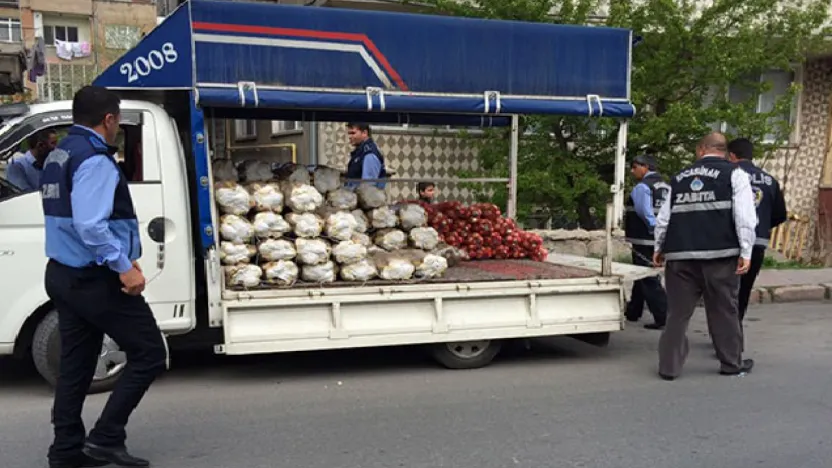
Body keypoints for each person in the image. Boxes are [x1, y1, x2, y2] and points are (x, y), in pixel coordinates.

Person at [40, 86, 166, 468]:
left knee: (76, 367)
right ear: (109, 119)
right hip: (93, 278)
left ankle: (66, 451)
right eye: (118, 120)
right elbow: (91, 226)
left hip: (63, 272)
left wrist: (123, 258)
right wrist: (122, 266)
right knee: (149, 353)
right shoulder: (94, 159)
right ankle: (106, 438)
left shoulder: (60, 152)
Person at [653, 132, 757, 381]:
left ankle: (669, 367)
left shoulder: (679, 178)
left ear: (700, 150)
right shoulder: (735, 174)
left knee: (677, 314)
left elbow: (664, 218)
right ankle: (731, 363)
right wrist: (746, 251)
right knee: (724, 310)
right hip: (721, 256)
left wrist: (659, 247)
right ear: (724, 151)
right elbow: (744, 216)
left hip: (680, 256)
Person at [728, 138, 787, 323]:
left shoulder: (729, 176)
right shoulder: (770, 180)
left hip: (731, 242)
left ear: (732, 155)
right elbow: (780, 214)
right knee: (744, 290)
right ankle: (735, 328)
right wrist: (762, 227)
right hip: (758, 243)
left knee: (725, 290)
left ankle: (725, 332)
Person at [623, 154, 669, 330]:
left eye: (635, 167)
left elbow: (644, 212)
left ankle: (664, 316)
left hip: (643, 237)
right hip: (659, 237)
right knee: (640, 273)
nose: (632, 171)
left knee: (648, 277)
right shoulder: (666, 186)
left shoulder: (643, 187)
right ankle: (633, 310)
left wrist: (653, 227)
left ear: (646, 167)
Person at [345, 122, 387, 188]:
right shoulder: (361, 151)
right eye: (349, 133)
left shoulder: (369, 154)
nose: (350, 137)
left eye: (353, 133)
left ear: (364, 133)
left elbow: (368, 187)